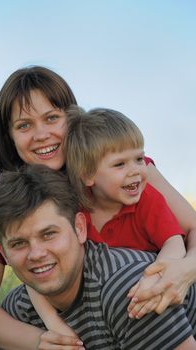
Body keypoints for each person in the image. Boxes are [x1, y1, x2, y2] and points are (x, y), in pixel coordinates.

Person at [0, 66, 196, 349]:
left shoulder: (123, 173)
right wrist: (38, 342)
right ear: (9, 137)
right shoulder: (5, 203)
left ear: (72, 119)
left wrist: (184, 271)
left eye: (52, 118)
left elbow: (191, 229)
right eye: (24, 125)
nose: (41, 134)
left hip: (152, 307)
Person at [0, 164, 196, 350]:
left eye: (49, 234)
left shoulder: (130, 291)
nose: (36, 254)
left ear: (80, 228)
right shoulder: (19, 310)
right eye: (19, 244)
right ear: (3, 253)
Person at [64, 106, 188, 318]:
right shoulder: (76, 209)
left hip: (152, 291)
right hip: (105, 301)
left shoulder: (147, 201)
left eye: (139, 159)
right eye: (120, 164)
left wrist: (155, 275)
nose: (136, 171)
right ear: (88, 175)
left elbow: (174, 242)